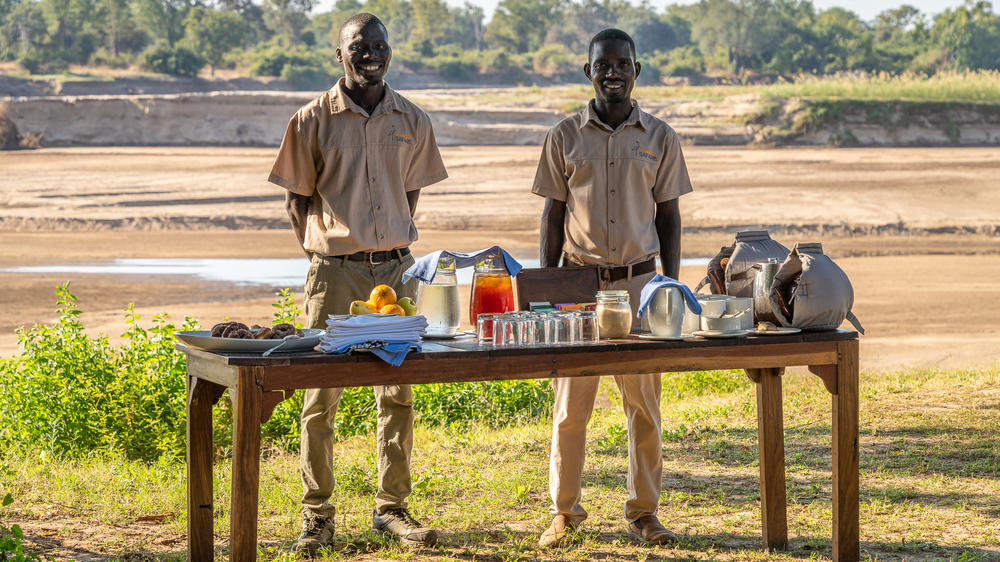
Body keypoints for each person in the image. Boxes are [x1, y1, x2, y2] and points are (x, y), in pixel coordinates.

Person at [267, 12, 448, 556]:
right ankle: (317, 514)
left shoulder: (412, 118)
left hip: (396, 273)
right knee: (321, 396)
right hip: (335, 273)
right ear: (339, 54)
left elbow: (409, 194)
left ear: (389, 50)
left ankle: (391, 509)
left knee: (397, 393)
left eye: (379, 44)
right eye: (358, 46)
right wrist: (325, 254)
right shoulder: (310, 120)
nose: (371, 53)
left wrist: (385, 243)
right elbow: (296, 201)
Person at [531, 28, 693, 547]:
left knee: (644, 407)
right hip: (579, 287)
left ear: (637, 70)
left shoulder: (660, 137)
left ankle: (644, 513)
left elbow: (669, 216)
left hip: (641, 285)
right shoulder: (564, 136)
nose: (613, 73)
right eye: (603, 65)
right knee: (569, 408)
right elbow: (552, 216)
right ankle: (564, 512)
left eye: (623, 64)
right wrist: (547, 289)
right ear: (589, 72)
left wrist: (670, 284)